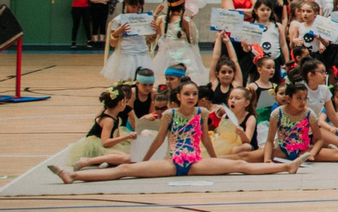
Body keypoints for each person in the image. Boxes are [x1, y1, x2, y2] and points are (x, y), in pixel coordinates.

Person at [49, 81, 308, 183]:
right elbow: (160, 139)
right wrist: (146, 159)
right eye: (187, 94)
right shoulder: (170, 115)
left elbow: (206, 139)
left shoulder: (202, 114)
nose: (192, 97)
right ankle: (71, 175)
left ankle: (287, 167)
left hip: (195, 161)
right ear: (179, 97)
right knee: (126, 170)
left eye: (195, 94)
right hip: (172, 162)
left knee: (239, 164)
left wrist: (213, 159)